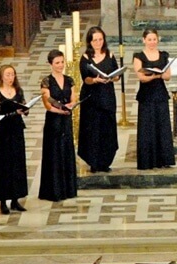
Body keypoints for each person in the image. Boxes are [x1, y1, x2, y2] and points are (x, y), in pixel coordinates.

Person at [78, 26, 120, 173]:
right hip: (92, 98)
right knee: (93, 130)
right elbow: (85, 78)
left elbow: (117, 74)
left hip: (107, 96)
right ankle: (93, 163)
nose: (98, 43)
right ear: (90, 42)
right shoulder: (85, 58)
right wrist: (95, 80)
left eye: (100, 39)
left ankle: (105, 162)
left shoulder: (110, 55)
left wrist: (112, 78)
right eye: (95, 40)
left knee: (107, 129)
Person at [132, 28, 175, 170]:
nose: (152, 42)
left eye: (154, 39)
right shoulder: (138, 56)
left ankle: (164, 159)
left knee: (162, 127)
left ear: (158, 39)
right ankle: (147, 161)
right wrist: (156, 75)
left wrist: (158, 75)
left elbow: (167, 76)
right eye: (149, 39)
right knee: (147, 128)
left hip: (160, 94)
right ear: (144, 40)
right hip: (146, 95)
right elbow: (142, 77)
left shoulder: (163, 55)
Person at [40, 49, 79, 202]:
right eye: (57, 63)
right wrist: (60, 111)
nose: (60, 65)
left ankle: (68, 189)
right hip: (53, 120)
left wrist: (71, 105)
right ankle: (54, 191)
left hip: (66, 119)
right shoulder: (46, 82)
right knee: (54, 152)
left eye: (62, 62)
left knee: (66, 149)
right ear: (50, 64)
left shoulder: (69, 80)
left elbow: (73, 97)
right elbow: (47, 103)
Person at [0, 64, 29, 214]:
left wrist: (25, 110)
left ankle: (15, 199)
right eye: (7, 75)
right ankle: (3, 201)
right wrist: (15, 112)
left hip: (17, 130)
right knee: (4, 165)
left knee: (18, 163)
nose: (11, 77)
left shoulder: (18, 91)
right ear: (1, 76)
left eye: (12, 74)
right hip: (4, 132)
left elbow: (24, 107)